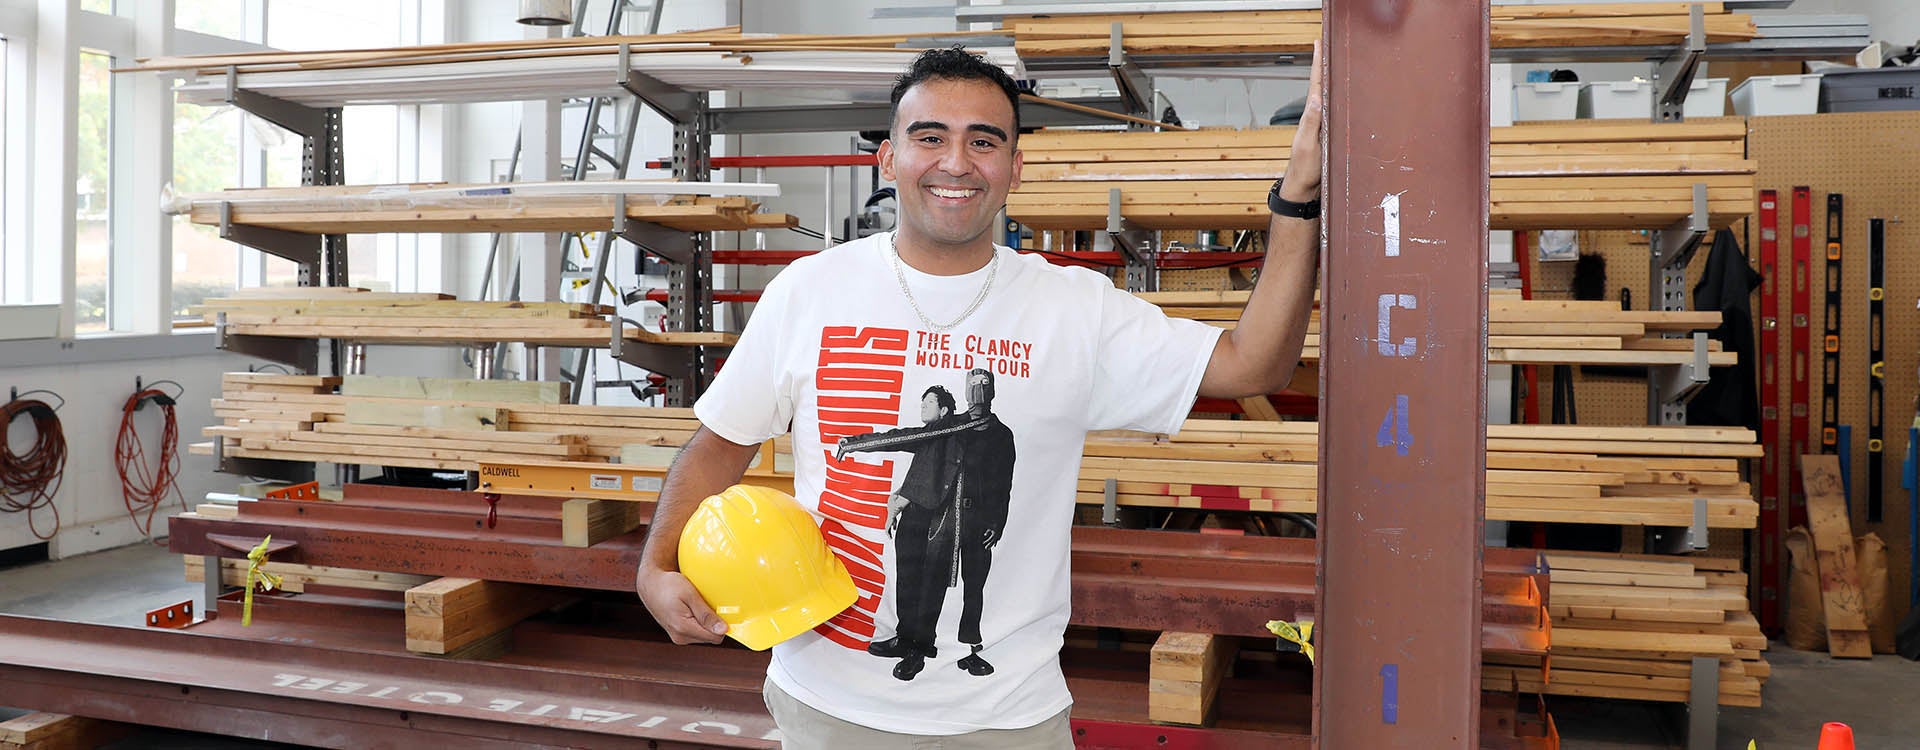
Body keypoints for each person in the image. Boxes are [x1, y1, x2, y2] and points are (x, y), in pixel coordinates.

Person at [636, 40, 1324, 748]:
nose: (956, 163)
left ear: (1015, 167)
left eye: (983, 141)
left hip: (1007, 724)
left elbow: (1253, 365)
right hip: (826, 710)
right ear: (888, 159)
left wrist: (1298, 194)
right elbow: (721, 443)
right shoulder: (810, 292)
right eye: (929, 137)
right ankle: (909, 638)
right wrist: (654, 568)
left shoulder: (1073, 310)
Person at [835, 370, 1015, 682]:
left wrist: (996, 522)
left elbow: (1004, 484)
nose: (978, 395)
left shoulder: (1001, 435)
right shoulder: (951, 425)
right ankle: (913, 646)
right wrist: (855, 444)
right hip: (938, 516)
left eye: (983, 389)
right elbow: (903, 437)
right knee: (922, 582)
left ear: (992, 393)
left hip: (973, 521)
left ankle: (968, 650)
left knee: (973, 589)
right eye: (973, 389)